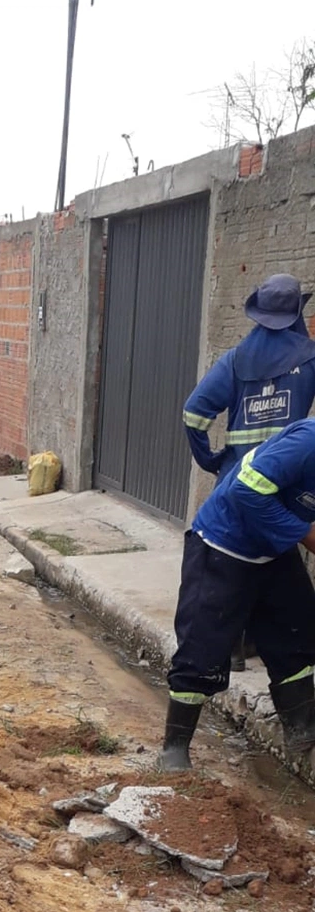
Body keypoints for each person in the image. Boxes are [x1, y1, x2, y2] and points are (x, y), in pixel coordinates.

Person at [160, 417, 315, 773]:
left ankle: (302, 727)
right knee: (202, 648)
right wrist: (304, 534)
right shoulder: (308, 443)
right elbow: (247, 490)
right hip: (223, 544)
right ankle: (174, 749)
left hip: (273, 550)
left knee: (297, 631)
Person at [182, 274, 315, 671]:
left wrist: (210, 459)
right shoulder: (308, 357)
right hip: (288, 483)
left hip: (237, 478)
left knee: (229, 566)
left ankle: (234, 648)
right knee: (274, 561)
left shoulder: (237, 358)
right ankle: (267, 642)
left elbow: (194, 413)